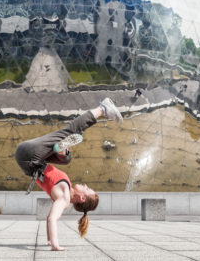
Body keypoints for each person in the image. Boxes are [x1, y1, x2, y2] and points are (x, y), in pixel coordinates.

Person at [15, 97, 123, 251]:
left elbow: (52, 218)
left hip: (30, 156)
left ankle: (103, 109)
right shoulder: (64, 190)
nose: (85, 185)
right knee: (67, 159)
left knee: (71, 130)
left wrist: (55, 244)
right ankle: (63, 150)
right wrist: (48, 239)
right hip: (33, 162)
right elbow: (50, 218)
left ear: (82, 197)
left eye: (87, 188)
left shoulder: (64, 197)